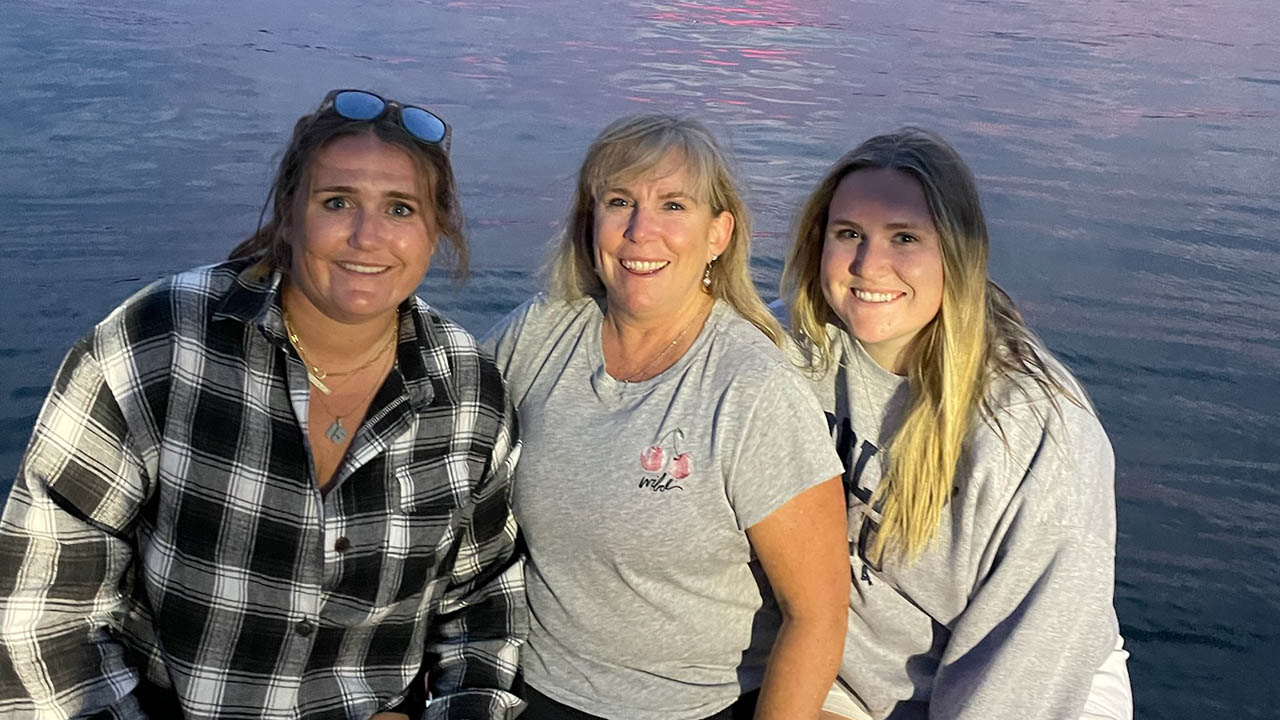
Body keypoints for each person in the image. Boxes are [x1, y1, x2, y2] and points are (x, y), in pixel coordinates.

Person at [0, 89, 524, 719]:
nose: (367, 236)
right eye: (337, 202)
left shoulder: (468, 390)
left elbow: (485, 603)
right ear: (290, 212)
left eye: (400, 209)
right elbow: (43, 609)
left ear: (435, 231)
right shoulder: (160, 343)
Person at [481, 114, 849, 720]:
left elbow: (819, 615)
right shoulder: (543, 330)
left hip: (690, 708)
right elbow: (442, 421)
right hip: (520, 686)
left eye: (673, 206)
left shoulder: (752, 389)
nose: (640, 231)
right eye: (619, 201)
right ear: (589, 222)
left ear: (718, 234)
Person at [779, 127, 1133, 720]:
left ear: (957, 254)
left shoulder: (1033, 433)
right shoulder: (796, 352)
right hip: (845, 675)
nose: (870, 265)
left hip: (1031, 680)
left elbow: (1028, 664)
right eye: (849, 235)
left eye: (905, 238)